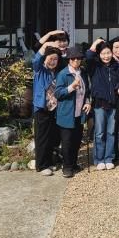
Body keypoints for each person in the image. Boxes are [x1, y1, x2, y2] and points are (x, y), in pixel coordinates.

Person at [54, 47, 91, 178]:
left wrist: (88, 102)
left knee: (76, 141)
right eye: (73, 58)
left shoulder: (83, 72)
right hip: (66, 114)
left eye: (78, 58)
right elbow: (58, 93)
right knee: (67, 142)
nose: (76, 60)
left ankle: (74, 164)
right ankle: (67, 167)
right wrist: (71, 87)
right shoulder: (63, 74)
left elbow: (87, 91)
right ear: (69, 60)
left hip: (79, 113)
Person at [86, 39, 119, 171]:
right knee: (100, 133)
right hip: (99, 104)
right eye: (103, 53)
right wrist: (95, 43)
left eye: (108, 53)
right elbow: (88, 56)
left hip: (113, 104)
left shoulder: (116, 66)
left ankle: (109, 158)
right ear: (99, 54)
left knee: (111, 132)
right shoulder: (95, 66)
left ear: (112, 53)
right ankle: (99, 159)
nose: (106, 56)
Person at [31, 41, 62, 176]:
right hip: (42, 108)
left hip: (54, 108)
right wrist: (46, 44)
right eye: (50, 59)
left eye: (55, 59)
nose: (53, 62)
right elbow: (35, 59)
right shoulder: (39, 70)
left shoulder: (57, 73)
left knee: (52, 137)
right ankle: (41, 165)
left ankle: (49, 162)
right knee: (42, 137)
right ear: (45, 59)